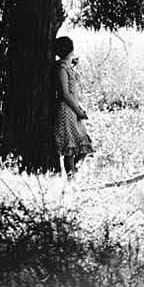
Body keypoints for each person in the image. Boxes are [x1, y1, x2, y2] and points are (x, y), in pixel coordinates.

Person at [53, 35, 92, 179]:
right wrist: (78, 111)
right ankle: (70, 177)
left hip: (73, 109)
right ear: (71, 50)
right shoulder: (61, 69)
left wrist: (79, 109)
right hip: (66, 110)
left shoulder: (66, 66)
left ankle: (73, 172)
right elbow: (64, 93)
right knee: (70, 148)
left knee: (82, 146)